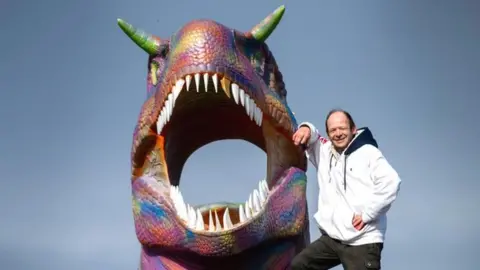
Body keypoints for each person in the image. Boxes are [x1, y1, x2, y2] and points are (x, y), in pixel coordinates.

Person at [290, 109, 401, 270]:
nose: (338, 133)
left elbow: (391, 182)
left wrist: (368, 213)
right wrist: (306, 127)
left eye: (342, 128)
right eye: (333, 130)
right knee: (299, 266)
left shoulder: (368, 153)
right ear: (328, 134)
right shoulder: (325, 151)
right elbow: (313, 136)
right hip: (333, 239)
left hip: (362, 241)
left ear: (353, 129)